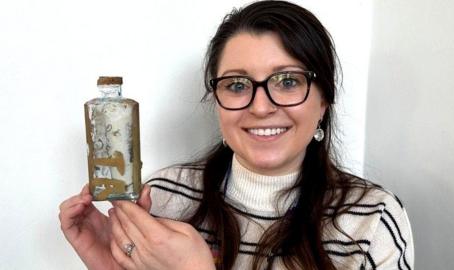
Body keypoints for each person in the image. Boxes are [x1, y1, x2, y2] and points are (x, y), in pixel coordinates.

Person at [59, 1, 414, 269]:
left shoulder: (373, 221)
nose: (260, 107)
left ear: (324, 102)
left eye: (288, 81)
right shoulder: (163, 198)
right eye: (237, 85)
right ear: (217, 101)